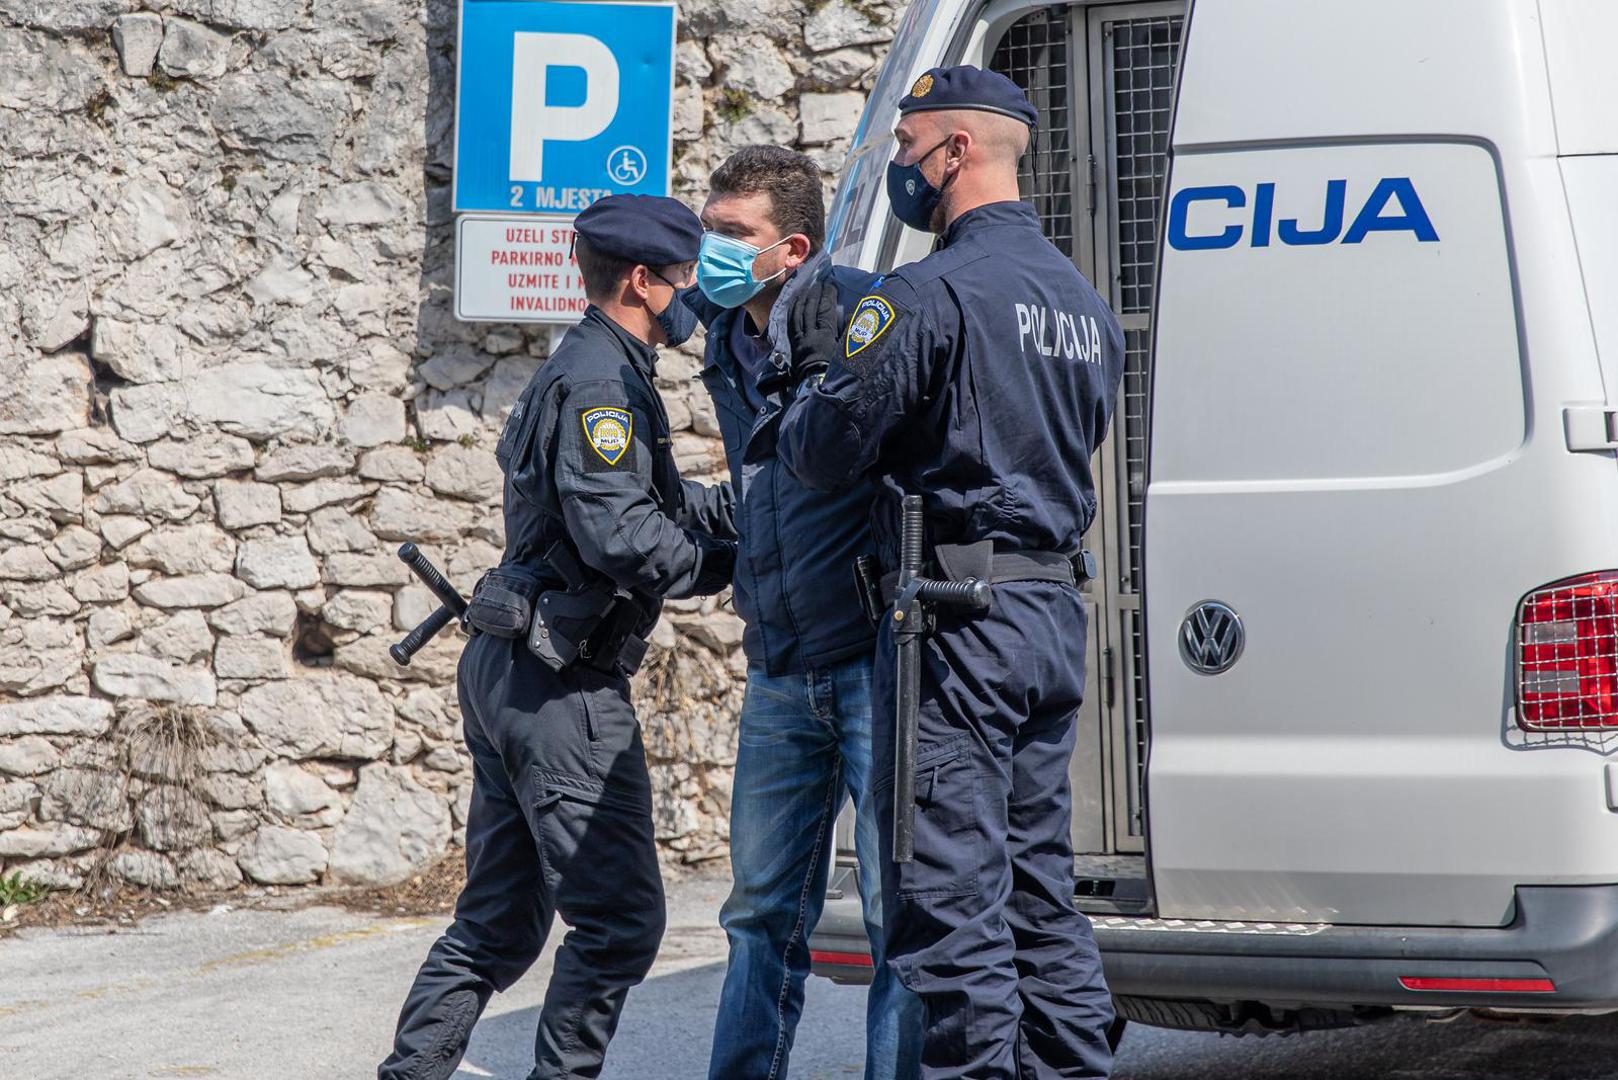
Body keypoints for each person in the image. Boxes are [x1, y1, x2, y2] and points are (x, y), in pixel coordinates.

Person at [776, 67, 1127, 1080]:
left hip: (958, 624)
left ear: (955, 150)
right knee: (1037, 893)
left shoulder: (927, 294)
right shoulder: (1083, 304)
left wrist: (807, 379)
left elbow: (824, 453)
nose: (899, 164)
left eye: (904, 145)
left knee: (950, 903)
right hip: (1046, 610)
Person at [378, 194, 738, 1080]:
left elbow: (649, 500)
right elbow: (622, 536)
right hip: (560, 686)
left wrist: (750, 510)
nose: (696, 292)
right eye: (685, 275)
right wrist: (735, 563)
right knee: (619, 923)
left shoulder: (591, 362)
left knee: (498, 923)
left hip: (512, 671)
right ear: (642, 281)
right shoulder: (603, 384)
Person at [683, 145, 922, 1080]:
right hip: (778, 664)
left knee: (898, 913)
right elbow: (763, 490)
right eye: (708, 228)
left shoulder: (865, 315)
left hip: (870, 659)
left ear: (793, 249)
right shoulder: (725, 335)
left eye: (732, 233)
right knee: (758, 912)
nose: (711, 249)